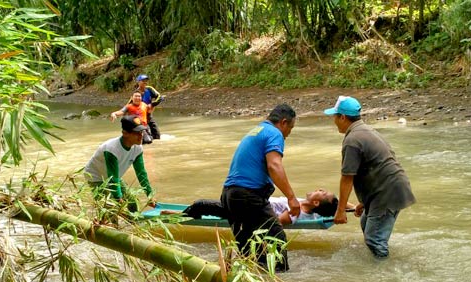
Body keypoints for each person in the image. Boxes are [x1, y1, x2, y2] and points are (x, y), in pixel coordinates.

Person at [325, 95, 415, 259]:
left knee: (374, 239)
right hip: (389, 188)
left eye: (335, 117)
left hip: (387, 192)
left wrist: (340, 211)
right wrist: (364, 202)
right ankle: (378, 263)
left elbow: (347, 178)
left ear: (343, 117)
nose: (334, 121)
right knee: (366, 224)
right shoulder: (365, 130)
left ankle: (383, 274)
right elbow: (375, 168)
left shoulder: (352, 140)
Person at [220, 104, 299, 272]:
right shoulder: (274, 133)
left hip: (230, 195)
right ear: (283, 123)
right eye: (290, 128)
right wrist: (291, 198)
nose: (288, 134)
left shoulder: (257, 130)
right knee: (276, 240)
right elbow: (274, 166)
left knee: (249, 250)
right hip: (248, 196)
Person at [85, 115, 155, 207]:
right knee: (110, 209)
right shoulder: (112, 149)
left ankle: (133, 221)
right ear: (125, 133)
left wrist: (150, 195)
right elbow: (113, 178)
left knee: (132, 204)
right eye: (137, 133)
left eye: (142, 132)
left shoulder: (138, 148)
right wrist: (118, 198)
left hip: (114, 176)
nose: (141, 136)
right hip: (96, 177)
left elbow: (141, 173)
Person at [177, 189, 343, 227]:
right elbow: (337, 202)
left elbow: (276, 223)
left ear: (316, 203)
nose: (320, 189)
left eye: (321, 192)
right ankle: (184, 213)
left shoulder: (296, 212)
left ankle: (174, 217)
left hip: (249, 211)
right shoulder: (302, 204)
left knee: (201, 204)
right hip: (250, 203)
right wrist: (345, 209)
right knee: (208, 207)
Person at [135, 74, 162, 140]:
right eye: (143, 80)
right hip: (140, 117)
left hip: (149, 115)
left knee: (157, 135)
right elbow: (130, 105)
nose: (145, 82)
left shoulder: (149, 89)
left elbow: (159, 97)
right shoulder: (136, 93)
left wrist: (152, 104)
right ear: (138, 82)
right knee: (147, 139)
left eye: (146, 80)